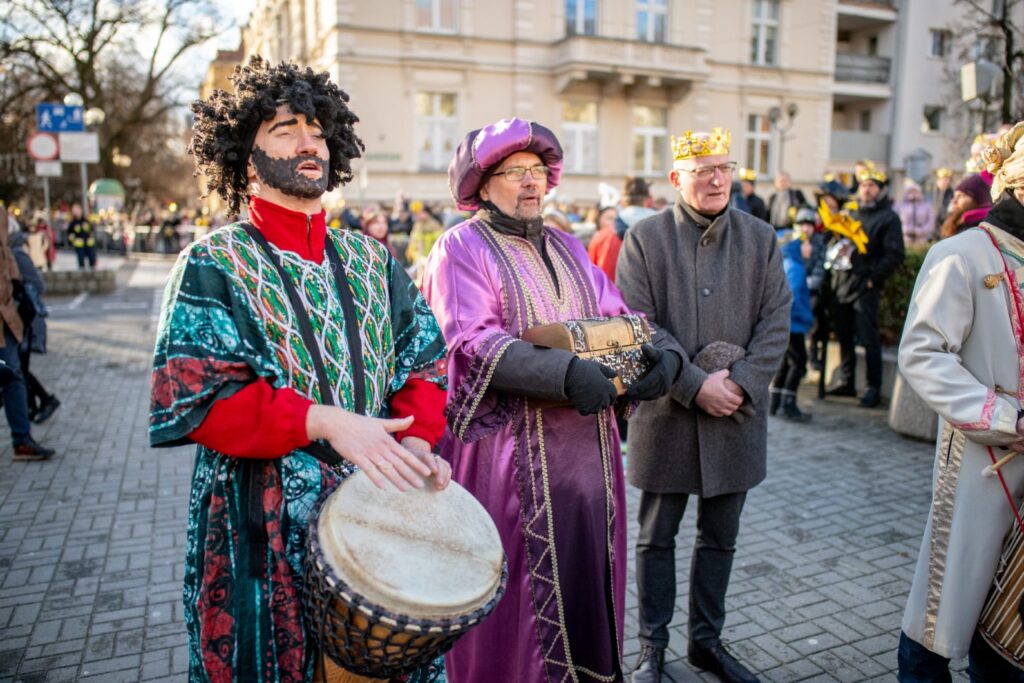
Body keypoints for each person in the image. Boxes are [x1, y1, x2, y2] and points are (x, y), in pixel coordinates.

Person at [150, 56, 451, 683]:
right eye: (285, 129)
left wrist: (417, 444)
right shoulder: (211, 262)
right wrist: (326, 422)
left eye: (317, 129)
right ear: (246, 156)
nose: (308, 141)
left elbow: (423, 360)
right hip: (258, 525)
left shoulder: (371, 257)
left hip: (377, 514)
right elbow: (197, 398)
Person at [421, 117, 682, 683]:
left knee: (587, 582)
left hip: (590, 460)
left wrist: (664, 354)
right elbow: (469, 342)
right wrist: (565, 374)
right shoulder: (460, 247)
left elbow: (618, 316)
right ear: (482, 184)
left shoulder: (566, 244)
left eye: (537, 170)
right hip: (510, 462)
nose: (530, 181)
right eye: (514, 171)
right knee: (517, 608)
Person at [617, 128, 790, 683]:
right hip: (667, 414)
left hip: (737, 414)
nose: (717, 180)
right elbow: (638, 326)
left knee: (721, 538)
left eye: (724, 168)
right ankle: (652, 647)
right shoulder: (645, 238)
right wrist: (695, 385)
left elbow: (776, 321)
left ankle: (706, 644)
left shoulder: (760, 237)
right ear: (676, 178)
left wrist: (740, 384)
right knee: (655, 538)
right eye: (702, 170)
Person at [896, 121, 1024, 682]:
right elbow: (923, 354)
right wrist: (1009, 418)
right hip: (982, 460)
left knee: (1011, 617)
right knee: (945, 608)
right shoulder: (962, 254)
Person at [826, 161, 905, 408]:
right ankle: (847, 381)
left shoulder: (888, 218)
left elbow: (895, 253)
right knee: (844, 334)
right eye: (863, 185)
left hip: (866, 285)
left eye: (871, 185)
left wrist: (874, 278)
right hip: (844, 282)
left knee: (868, 337)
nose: (866, 189)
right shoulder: (851, 214)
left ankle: (873, 387)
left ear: (879, 189)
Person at [0, 208, 54, 460]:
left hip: (7, 314)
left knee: (13, 376)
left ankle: (22, 439)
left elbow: (9, 265)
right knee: (12, 376)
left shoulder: (2, 216)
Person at [9, 232, 59, 424]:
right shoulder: (11, 254)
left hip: (26, 319)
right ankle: (34, 406)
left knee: (19, 368)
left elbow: (38, 285)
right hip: (17, 320)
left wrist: (19, 292)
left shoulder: (17, 255)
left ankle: (42, 402)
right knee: (19, 369)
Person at [769, 212, 815, 421]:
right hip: (793, 325)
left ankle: (774, 402)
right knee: (798, 363)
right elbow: (792, 297)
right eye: (804, 244)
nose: (809, 248)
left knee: (785, 363)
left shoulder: (784, 264)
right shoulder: (795, 268)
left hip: (787, 324)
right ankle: (789, 405)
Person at [939, 172, 993, 239]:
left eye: (960, 196)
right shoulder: (958, 222)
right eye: (954, 196)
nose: (954, 201)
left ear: (977, 199)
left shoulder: (982, 228)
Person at [588, 205, 622, 282]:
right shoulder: (589, 237)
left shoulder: (620, 236)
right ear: (599, 219)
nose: (613, 222)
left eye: (615, 219)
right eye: (609, 218)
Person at [896, 180, 934, 247]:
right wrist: (905, 229)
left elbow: (930, 222)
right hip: (905, 238)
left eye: (915, 192)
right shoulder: (900, 206)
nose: (913, 194)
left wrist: (921, 230)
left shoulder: (927, 206)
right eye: (911, 192)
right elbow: (895, 221)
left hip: (922, 239)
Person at [67, 202, 97, 270]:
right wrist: (73, 240)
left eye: (77, 209)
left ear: (80, 210)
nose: (76, 211)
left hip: (89, 244)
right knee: (81, 263)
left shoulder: (86, 221)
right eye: (74, 210)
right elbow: (69, 234)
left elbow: (92, 230)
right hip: (79, 245)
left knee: (92, 262)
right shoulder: (72, 223)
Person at [932, 167, 955, 232]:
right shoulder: (932, 193)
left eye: (949, 180)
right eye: (944, 179)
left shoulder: (953, 194)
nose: (947, 182)